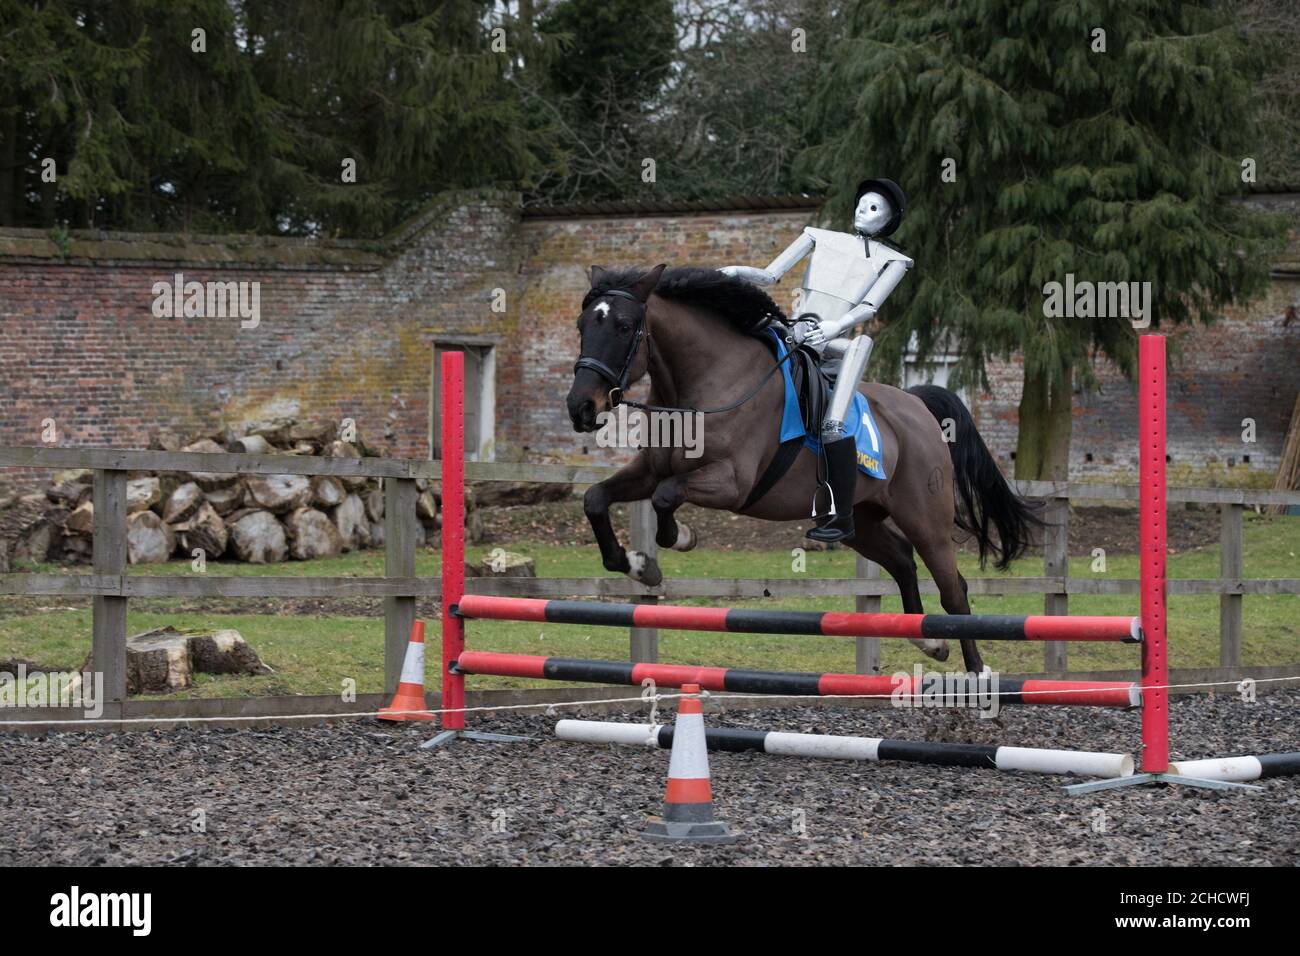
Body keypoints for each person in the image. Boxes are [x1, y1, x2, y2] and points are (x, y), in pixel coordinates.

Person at [721, 178, 910, 542]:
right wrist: (734, 272)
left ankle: (842, 516)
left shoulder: (894, 261)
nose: (862, 211)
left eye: (873, 208)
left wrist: (835, 326)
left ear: (888, 220)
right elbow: (771, 274)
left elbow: (869, 306)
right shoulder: (816, 236)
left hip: (836, 343)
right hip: (794, 331)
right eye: (861, 203)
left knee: (854, 363)